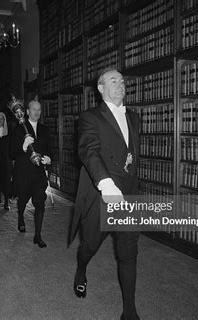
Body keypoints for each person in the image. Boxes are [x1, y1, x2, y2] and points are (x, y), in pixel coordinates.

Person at [68, 68, 141, 320]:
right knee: (89, 245)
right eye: (113, 81)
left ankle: (129, 312)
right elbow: (89, 150)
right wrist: (108, 185)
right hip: (103, 194)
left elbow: (130, 154)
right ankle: (81, 269)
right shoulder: (89, 117)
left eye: (122, 81)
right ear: (100, 88)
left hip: (128, 197)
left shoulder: (134, 117)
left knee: (129, 251)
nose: (120, 84)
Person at [11, 100, 51, 248]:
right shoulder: (19, 129)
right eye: (34, 109)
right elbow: (11, 153)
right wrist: (23, 145)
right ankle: (20, 216)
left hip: (39, 173)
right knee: (22, 200)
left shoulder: (45, 129)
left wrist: (49, 158)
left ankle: (38, 236)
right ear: (27, 111)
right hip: (23, 173)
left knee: (40, 203)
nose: (37, 112)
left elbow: (50, 149)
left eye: (39, 110)